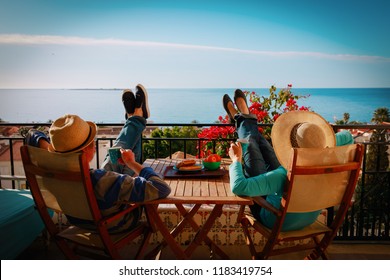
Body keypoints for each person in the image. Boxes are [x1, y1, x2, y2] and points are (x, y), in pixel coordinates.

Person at [25, 84, 170, 233]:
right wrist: (132, 163)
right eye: (91, 142)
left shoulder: (53, 172)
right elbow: (161, 189)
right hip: (117, 221)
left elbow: (32, 135)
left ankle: (134, 118)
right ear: (88, 149)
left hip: (81, 220)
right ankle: (136, 117)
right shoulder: (102, 180)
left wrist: (54, 151)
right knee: (118, 155)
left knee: (115, 154)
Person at [223, 89, 353, 231]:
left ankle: (241, 117)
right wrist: (321, 140)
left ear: (290, 145)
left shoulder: (283, 175)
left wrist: (236, 160)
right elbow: (348, 136)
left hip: (274, 217)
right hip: (308, 217)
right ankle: (242, 117)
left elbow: (239, 187)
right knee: (257, 142)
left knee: (251, 144)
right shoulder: (325, 164)